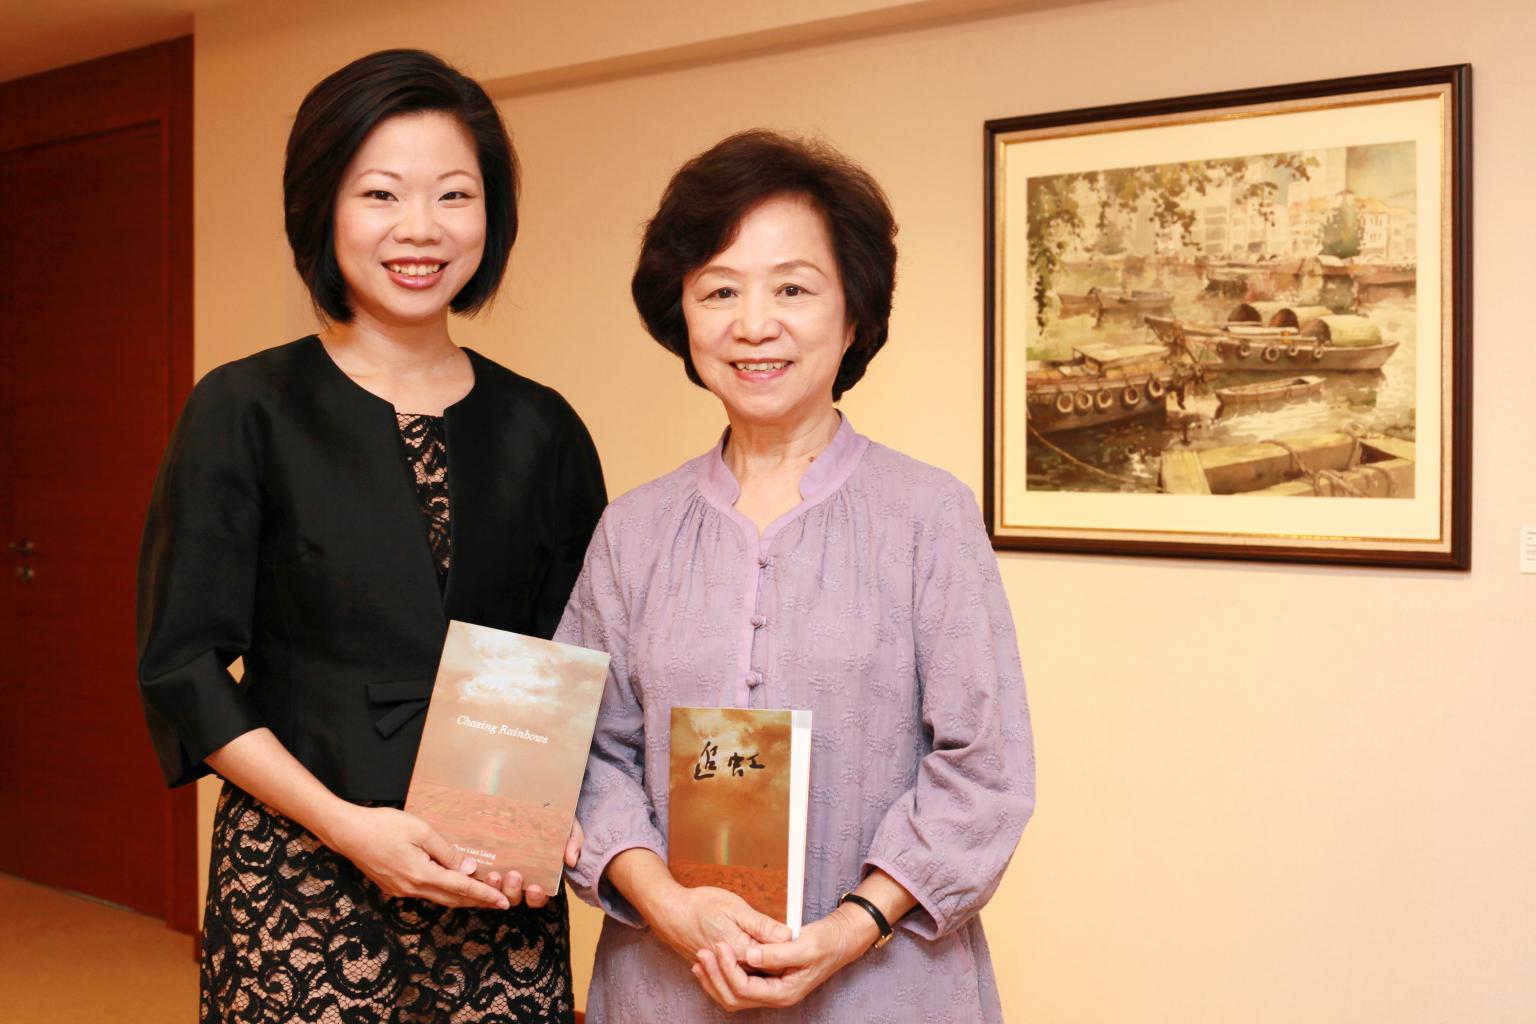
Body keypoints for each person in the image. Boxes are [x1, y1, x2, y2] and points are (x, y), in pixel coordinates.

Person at [136, 49, 604, 1023]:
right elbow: (182, 664)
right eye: (382, 193)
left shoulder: (543, 427)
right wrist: (351, 828)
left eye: (455, 195)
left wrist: (538, 824)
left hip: (493, 886)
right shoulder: (245, 406)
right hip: (301, 875)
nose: (421, 229)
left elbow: (570, 659)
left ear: (493, 216)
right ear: (323, 208)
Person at [556, 130, 1034, 1021]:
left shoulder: (926, 516)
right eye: (720, 290)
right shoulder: (634, 529)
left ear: (852, 315)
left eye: (792, 289)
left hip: (884, 985)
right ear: (682, 315)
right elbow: (586, 749)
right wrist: (665, 904)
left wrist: (852, 926)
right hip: (668, 983)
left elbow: (983, 768)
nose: (753, 324)